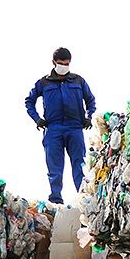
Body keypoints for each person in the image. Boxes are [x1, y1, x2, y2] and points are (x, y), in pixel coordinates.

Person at [24, 47, 96, 204]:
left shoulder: (78, 80)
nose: (64, 66)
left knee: (80, 165)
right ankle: (56, 200)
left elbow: (90, 100)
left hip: (75, 127)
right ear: (53, 63)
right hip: (53, 128)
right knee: (54, 168)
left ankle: (83, 199)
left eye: (67, 63)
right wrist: (37, 119)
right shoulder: (43, 82)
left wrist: (89, 117)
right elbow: (29, 101)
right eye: (61, 63)